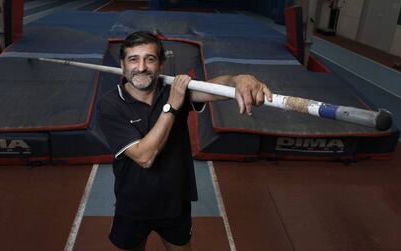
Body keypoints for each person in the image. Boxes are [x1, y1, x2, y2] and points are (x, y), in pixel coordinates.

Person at [97, 31, 272, 251]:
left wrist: (239, 80)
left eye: (149, 59)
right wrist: (172, 106)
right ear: (123, 64)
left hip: (175, 204)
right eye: (133, 59)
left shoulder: (174, 90)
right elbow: (144, 157)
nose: (141, 67)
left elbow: (216, 89)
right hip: (132, 205)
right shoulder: (111, 104)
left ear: (160, 64)